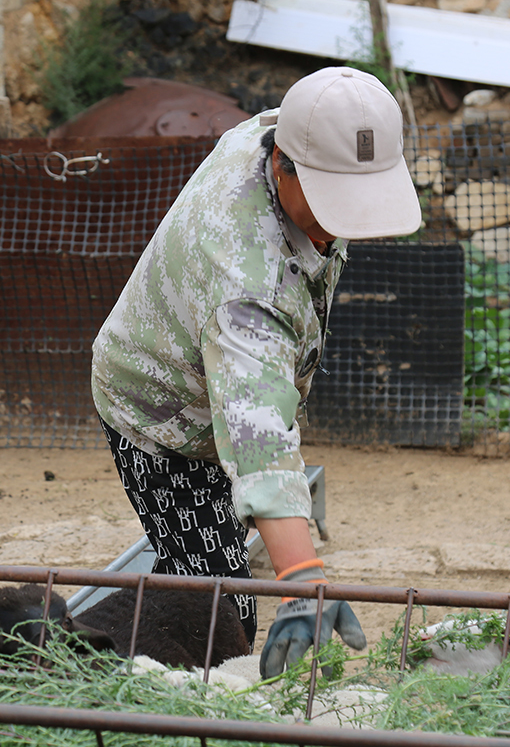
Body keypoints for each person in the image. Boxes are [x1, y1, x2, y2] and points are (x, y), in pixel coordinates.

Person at [90, 66, 422, 679]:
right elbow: (260, 440)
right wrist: (301, 581)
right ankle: (113, 676)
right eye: (333, 202)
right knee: (221, 613)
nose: (344, 224)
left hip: (209, 372)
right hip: (161, 415)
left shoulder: (280, 129)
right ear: (282, 167)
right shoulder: (247, 284)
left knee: (201, 579)